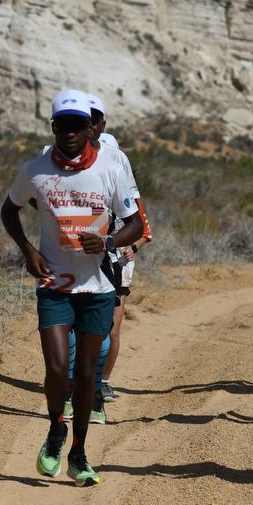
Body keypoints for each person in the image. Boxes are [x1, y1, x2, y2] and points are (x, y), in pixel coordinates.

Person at [1, 89, 143, 486]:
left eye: (77, 124)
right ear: (53, 127)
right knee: (57, 369)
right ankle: (55, 429)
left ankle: (79, 452)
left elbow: (135, 223)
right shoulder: (35, 169)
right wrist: (27, 249)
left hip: (97, 286)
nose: (69, 132)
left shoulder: (111, 168)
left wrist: (111, 242)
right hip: (55, 284)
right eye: (62, 124)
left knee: (85, 375)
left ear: (89, 128)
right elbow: (9, 209)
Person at [87, 93, 150, 407]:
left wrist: (130, 248)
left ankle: (102, 381)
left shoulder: (128, 195)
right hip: (90, 262)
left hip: (118, 264)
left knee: (111, 325)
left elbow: (144, 229)